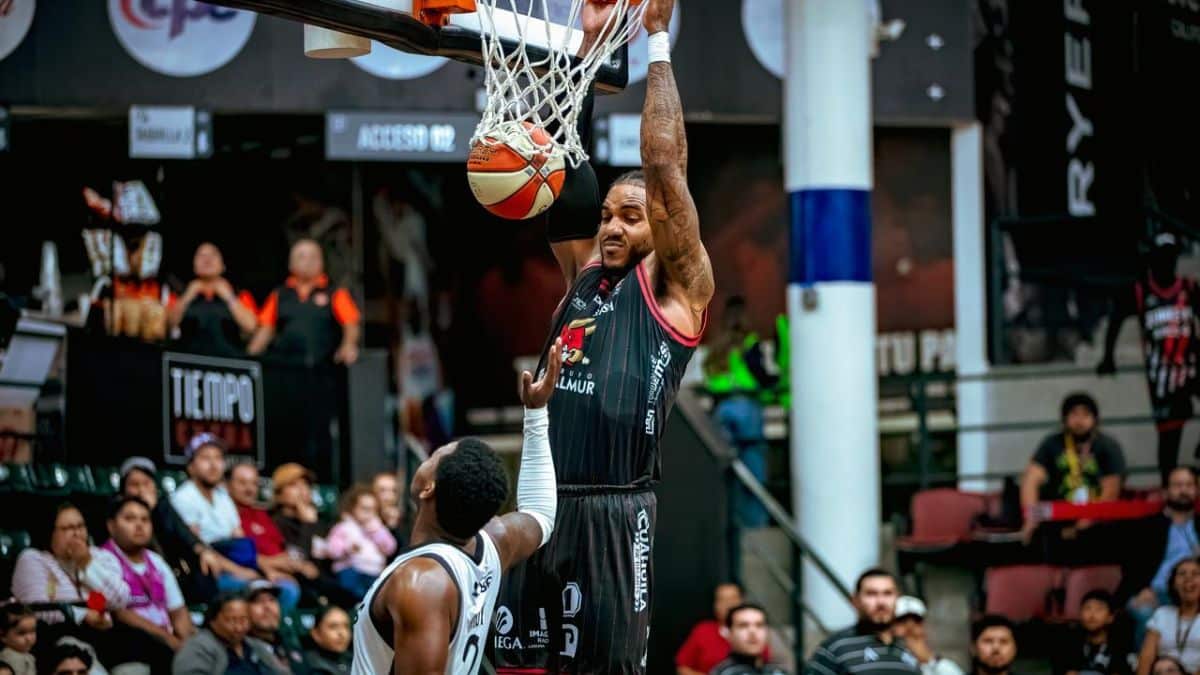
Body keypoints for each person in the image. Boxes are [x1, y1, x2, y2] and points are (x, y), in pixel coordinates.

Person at [495, 0, 715, 671]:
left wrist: (656, 39)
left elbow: (664, 165)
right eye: (609, 215)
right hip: (541, 504)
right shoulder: (584, 271)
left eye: (632, 217)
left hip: (616, 517)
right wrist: (583, 57)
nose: (614, 227)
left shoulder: (677, 287)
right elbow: (561, 164)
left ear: (661, 229)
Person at [352, 338, 563, 674]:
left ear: (428, 488)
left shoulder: (421, 583)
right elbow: (540, 514)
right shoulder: (492, 545)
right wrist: (536, 413)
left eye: (434, 456)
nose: (428, 455)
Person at [249, 239, 362, 478]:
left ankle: (322, 480)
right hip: (285, 376)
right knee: (286, 429)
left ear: (322, 262)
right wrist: (248, 359)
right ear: (291, 264)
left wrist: (348, 345)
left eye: (313, 256)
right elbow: (265, 330)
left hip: (321, 375)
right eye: (301, 256)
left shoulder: (335, 293)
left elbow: (351, 324)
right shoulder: (280, 295)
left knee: (320, 432)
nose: (308, 261)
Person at [1098, 232, 1200, 484]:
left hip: (1192, 367)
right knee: (1169, 438)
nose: (1167, 263)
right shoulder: (1140, 291)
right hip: (1162, 376)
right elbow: (1116, 319)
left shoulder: (1189, 288)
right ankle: (1168, 487)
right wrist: (1108, 356)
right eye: (1161, 258)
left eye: (1170, 258)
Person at [118, 456, 253, 604]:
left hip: (172, 573)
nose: (141, 490)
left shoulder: (163, 507)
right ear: (124, 489)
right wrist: (148, 512)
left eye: (146, 483)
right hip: (137, 575)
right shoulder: (117, 513)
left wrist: (202, 550)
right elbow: (142, 546)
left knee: (204, 570)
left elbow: (182, 533)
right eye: (134, 485)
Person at [100, 496, 196, 672]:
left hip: (167, 645)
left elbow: (178, 611)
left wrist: (186, 644)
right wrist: (168, 639)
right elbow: (118, 612)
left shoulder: (156, 561)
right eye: (130, 519)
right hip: (128, 648)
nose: (139, 525)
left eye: (145, 519)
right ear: (111, 526)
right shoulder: (101, 560)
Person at [169, 434, 272, 597]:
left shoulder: (223, 497)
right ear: (191, 467)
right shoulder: (183, 497)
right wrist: (240, 571)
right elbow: (195, 547)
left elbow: (239, 540)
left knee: (284, 588)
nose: (213, 465)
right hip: (207, 572)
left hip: (234, 567)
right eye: (205, 458)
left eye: (218, 458)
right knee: (257, 591)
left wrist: (263, 569)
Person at [703, 296, 774, 528]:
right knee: (753, 468)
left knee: (726, 470)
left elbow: (709, 378)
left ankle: (731, 525)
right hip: (747, 408)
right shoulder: (749, 342)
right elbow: (760, 375)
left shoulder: (716, 346)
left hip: (722, 408)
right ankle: (754, 524)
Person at [1019, 393, 1126, 542]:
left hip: (1096, 521)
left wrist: (1086, 522)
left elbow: (1111, 490)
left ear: (1095, 419)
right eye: (1074, 414)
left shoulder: (1107, 446)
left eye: (1085, 414)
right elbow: (1031, 479)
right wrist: (1031, 518)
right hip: (1059, 517)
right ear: (1065, 418)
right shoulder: (1052, 443)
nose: (1079, 421)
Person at [9, 503, 128, 630]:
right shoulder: (33, 559)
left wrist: (87, 563)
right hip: (56, 633)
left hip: (105, 632)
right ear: (50, 532)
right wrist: (81, 615)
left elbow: (120, 600)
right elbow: (36, 609)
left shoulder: (101, 557)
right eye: (68, 528)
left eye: (80, 526)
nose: (77, 533)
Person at [1119, 466, 1200, 643]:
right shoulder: (1147, 526)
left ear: (1197, 490)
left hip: (1195, 593)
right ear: (1165, 492)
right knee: (1145, 613)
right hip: (1156, 593)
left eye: (1189, 485)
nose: (1184, 490)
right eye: (1177, 485)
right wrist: (1141, 589)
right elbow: (1130, 565)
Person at [804, 569, 920, 675]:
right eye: (871, 594)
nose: (881, 602)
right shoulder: (836, 648)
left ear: (897, 599)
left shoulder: (909, 649)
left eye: (888, 593)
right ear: (855, 601)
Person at [228, 462, 305, 610]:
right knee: (288, 591)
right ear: (228, 485)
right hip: (247, 572)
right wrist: (269, 566)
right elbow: (234, 553)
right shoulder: (226, 513)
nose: (249, 489)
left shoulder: (261, 514)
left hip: (275, 573)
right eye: (242, 483)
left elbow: (280, 548)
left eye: (254, 484)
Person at [167, 242, 258, 358]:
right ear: (194, 265)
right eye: (201, 255)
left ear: (223, 265)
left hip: (229, 360)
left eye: (213, 255)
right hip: (188, 360)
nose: (207, 259)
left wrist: (228, 296)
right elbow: (168, 325)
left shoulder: (239, 294)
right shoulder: (180, 294)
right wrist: (188, 295)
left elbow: (251, 327)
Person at [171, 591, 289, 675]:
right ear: (213, 620)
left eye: (244, 620)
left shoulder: (254, 645)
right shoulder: (198, 647)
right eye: (232, 620)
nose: (238, 627)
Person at [677, 583, 772, 675]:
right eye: (722, 599)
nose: (728, 604)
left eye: (733, 598)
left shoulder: (754, 634)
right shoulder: (703, 631)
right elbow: (682, 667)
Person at [326, 485, 398, 599]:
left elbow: (390, 548)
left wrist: (377, 533)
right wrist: (347, 548)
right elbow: (332, 550)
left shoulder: (379, 528)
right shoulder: (343, 528)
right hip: (350, 568)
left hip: (374, 571)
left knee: (380, 591)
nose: (369, 513)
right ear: (352, 508)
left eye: (373, 510)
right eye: (364, 509)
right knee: (350, 586)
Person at [1138, 558, 1200, 675]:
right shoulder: (1162, 614)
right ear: (1174, 583)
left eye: (1195, 573)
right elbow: (1146, 657)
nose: (1188, 578)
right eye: (1182, 574)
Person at [1052, 590, 1135, 675]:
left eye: (1099, 609)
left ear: (1110, 617)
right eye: (1087, 608)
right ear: (1080, 614)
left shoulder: (1118, 644)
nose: (1092, 614)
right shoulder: (1072, 641)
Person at [891, 596, 964, 675]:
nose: (910, 626)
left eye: (916, 620)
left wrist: (928, 660)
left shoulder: (944, 667)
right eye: (902, 621)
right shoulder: (889, 662)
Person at [245, 580, 306, 674]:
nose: (268, 607)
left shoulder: (290, 645)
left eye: (272, 600)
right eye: (258, 601)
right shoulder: (242, 651)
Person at [708, 604, 787, 675]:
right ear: (729, 633)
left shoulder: (778, 671)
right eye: (743, 625)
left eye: (759, 625)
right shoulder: (724, 672)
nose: (753, 631)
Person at [303, 605, 352, 674]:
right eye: (333, 627)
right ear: (316, 634)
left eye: (346, 626)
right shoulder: (309, 665)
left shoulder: (355, 659)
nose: (342, 633)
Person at [372, 471, 406, 545]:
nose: (389, 497)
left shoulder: (405, 520)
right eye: (382, 491)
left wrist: (393, 527)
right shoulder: (365, 520)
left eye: (394, 491)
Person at [1, 603, 36, 675]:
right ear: (3, 635)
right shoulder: (9, 658)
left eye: (32, 631)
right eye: (21, 633)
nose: (29, 638)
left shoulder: (26, 655)